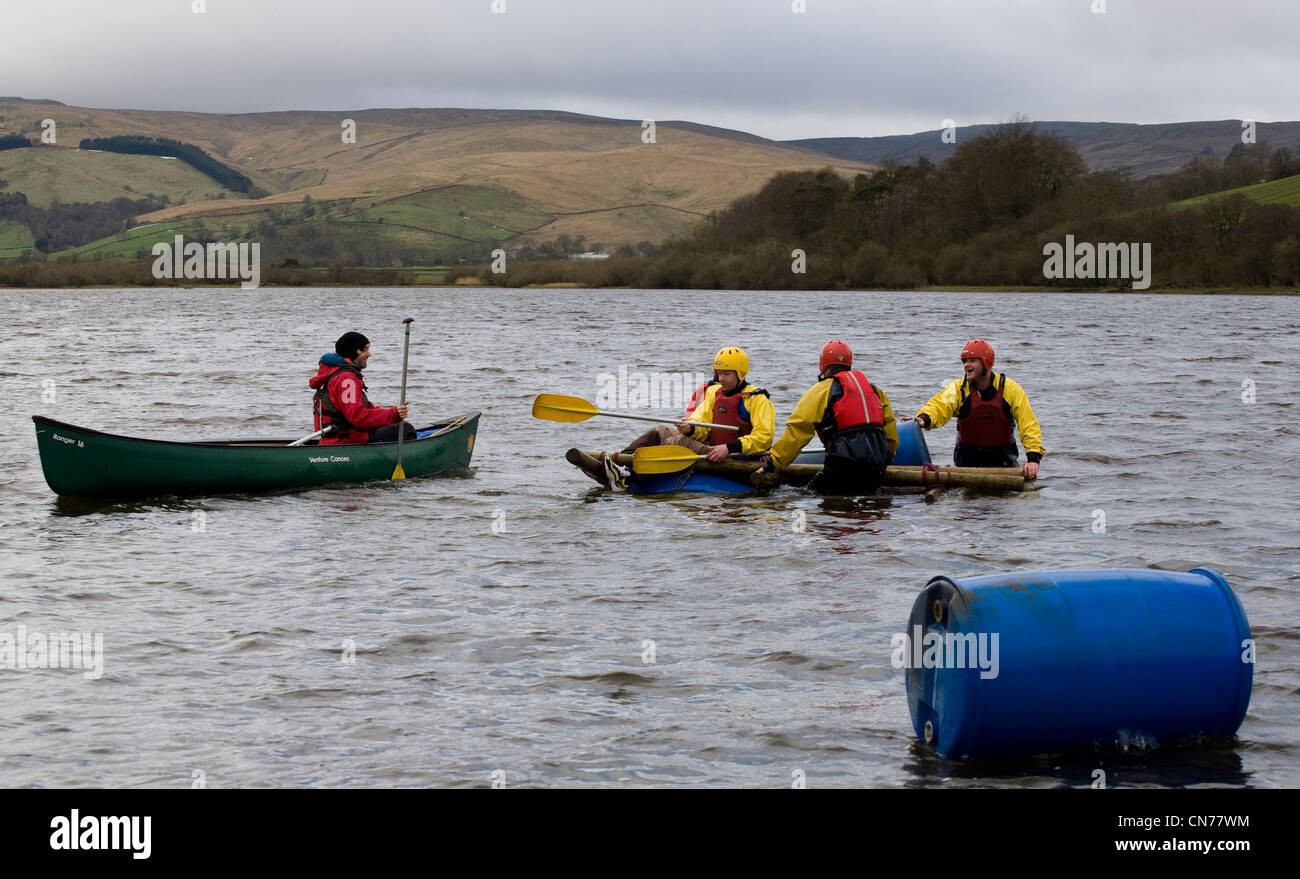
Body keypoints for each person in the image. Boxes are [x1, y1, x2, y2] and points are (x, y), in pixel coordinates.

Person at [583, 346, 775, 488]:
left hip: (735, 456)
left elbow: (763, 438)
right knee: (658, 431)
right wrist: (690, 428)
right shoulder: (714, 392)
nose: (721, 378)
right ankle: (619, 462)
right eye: (719, 373)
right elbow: (701, 425)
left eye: (727, 374)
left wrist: (728, 448)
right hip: (711, 447)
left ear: (740, 373)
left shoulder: (756, 399)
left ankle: (633, 477)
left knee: (677, 441)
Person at [752, 340, 898, 495]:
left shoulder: (820, 391)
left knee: (809, 495)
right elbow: (890, 431)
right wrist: (887, 459)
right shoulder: (874, 390)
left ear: (823, 366)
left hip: (843, 462)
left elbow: (797, 431)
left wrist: (773, 464)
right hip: (878, 462)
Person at [911, 339, 1043, 479]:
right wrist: (924, 418)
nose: (967, 365)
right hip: (966, 463)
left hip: (1003, 461)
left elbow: (1028, 424)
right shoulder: (958, 389)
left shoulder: (1011, 390)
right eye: (964, 361)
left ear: (986, 362)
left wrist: (1033, 459)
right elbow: (938, 406)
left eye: (972, 360)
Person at [310, 331, 414, 445]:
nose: (369, 354)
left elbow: (367, 408)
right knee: (406, 429)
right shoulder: (346, 379)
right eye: (365, 350)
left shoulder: (338, 374)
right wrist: (392, 415)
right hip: (347, 440)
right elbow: (358, 417)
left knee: (398, 425)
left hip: (342, 438)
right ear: (355, 352)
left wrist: (393, 415)